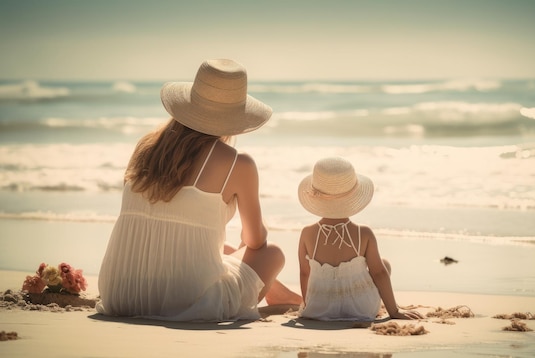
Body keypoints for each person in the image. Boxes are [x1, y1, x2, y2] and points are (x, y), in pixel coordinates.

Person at [97, 59, 301, 322]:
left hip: (122, 294)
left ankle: (281, 294)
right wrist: (252, 239)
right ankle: (279, 294)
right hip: (190, 302)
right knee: (272, 252)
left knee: (222, 248)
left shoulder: (146, 148)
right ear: (235, 117)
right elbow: (256, 242)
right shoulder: (238, 163)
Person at [297, 157, 423, 321]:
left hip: (319, 309)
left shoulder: (307, 233)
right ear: (353, 196)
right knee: (383, 264)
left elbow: (304, 272)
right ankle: (384, 304)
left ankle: (318, 304)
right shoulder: (363, 233)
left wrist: (309, 305)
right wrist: (394, 311)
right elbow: (379, 273)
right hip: (360, 308)